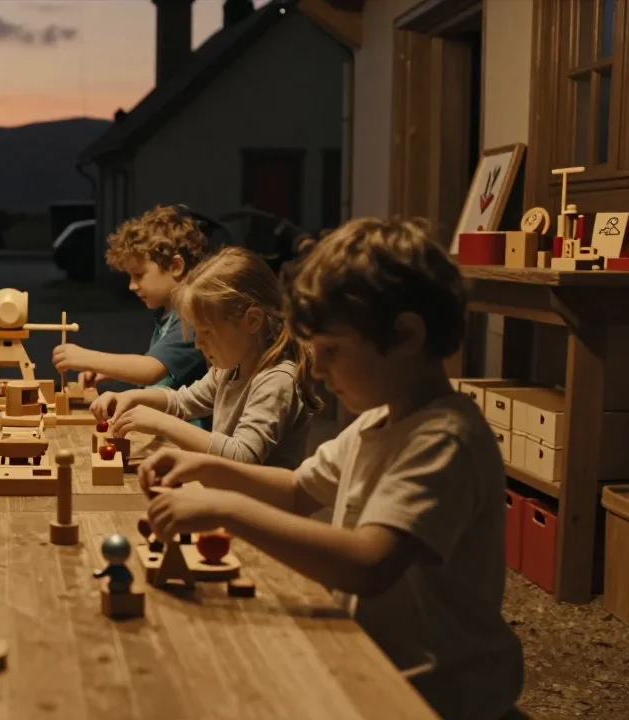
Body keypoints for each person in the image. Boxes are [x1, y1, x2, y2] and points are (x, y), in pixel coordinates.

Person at [138, 218, 523, 720]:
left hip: (442, 693)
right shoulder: (379, 422)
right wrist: (203, 467)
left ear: (405, 335)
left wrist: (224, 507)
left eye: (331, 352)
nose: (316, 370)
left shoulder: (444, 439)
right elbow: (299, 489)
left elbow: (369, 564)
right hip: (382, 663)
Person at [91, 247, 318, 470]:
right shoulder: (231, 368)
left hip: (260, 507)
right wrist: (132, 397)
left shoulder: (277, 380)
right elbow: (183, 402)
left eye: (206, 331)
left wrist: (162, 423)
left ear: (252, 321)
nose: (198, 343)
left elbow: (243, 456)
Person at [52, 205, 210, 395]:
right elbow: (161, 365)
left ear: (175, 266)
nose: (132, 286)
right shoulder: (167, 312)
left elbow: (150, 369)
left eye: (138, 275)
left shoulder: (191, 315)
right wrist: (108, 371)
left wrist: (85, 357)